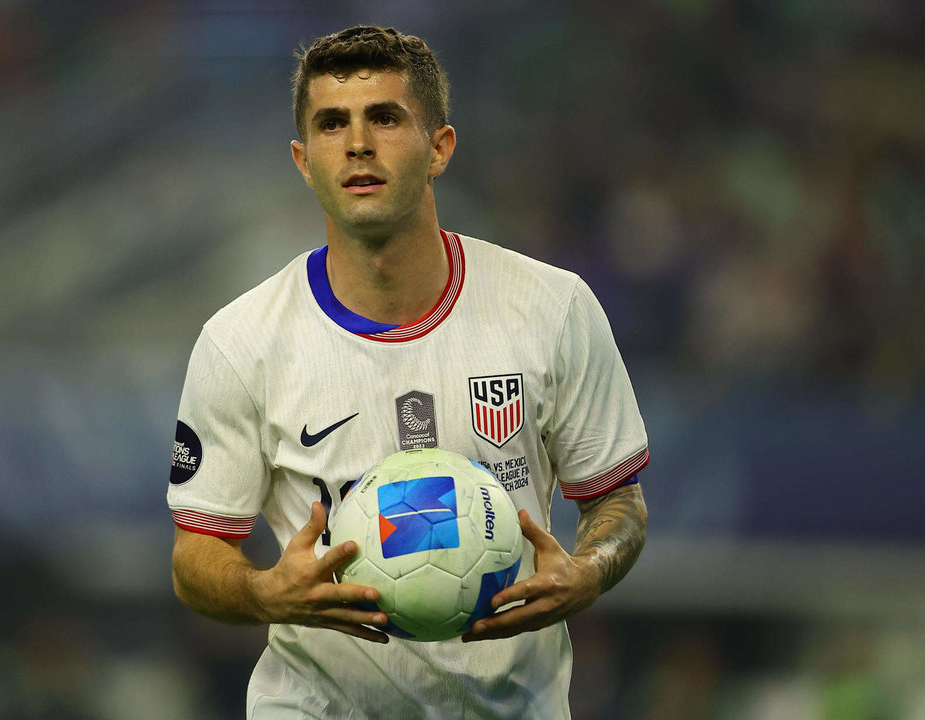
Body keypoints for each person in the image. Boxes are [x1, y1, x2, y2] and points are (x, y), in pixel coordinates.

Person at [167, 25, 649, 719]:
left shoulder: (553, 308)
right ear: (303, 161)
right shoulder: (240, 341)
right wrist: (264, 592)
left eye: (385, 118)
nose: (357, 144)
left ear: (440, 148)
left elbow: (619, 501)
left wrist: (588, 572)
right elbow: (197, 555)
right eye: (332, 124)